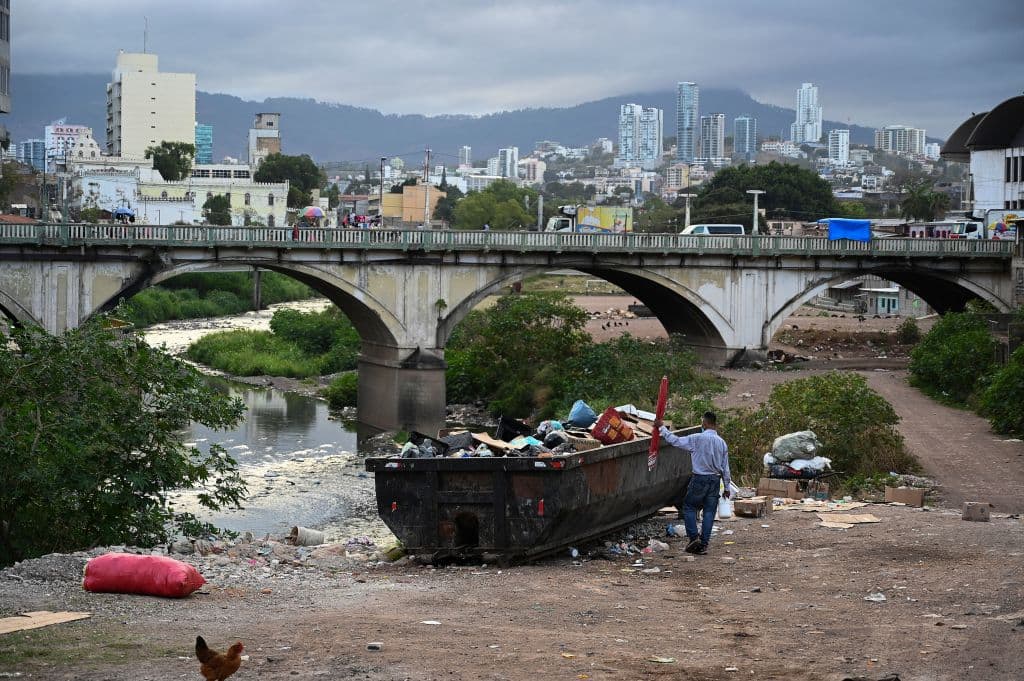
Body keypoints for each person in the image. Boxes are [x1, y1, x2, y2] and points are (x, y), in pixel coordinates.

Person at [653, 411, 732, 555]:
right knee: (709, 512)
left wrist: (662, 428)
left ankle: (693, 537)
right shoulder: (722, 443)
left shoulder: (697, 438)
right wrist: (727, 487)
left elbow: (675, 441)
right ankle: (703, 544)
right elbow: (725, 468)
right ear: (715, 424)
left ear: (705, 423)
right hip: (715, 480)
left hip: (699, 479)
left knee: (689, 507)